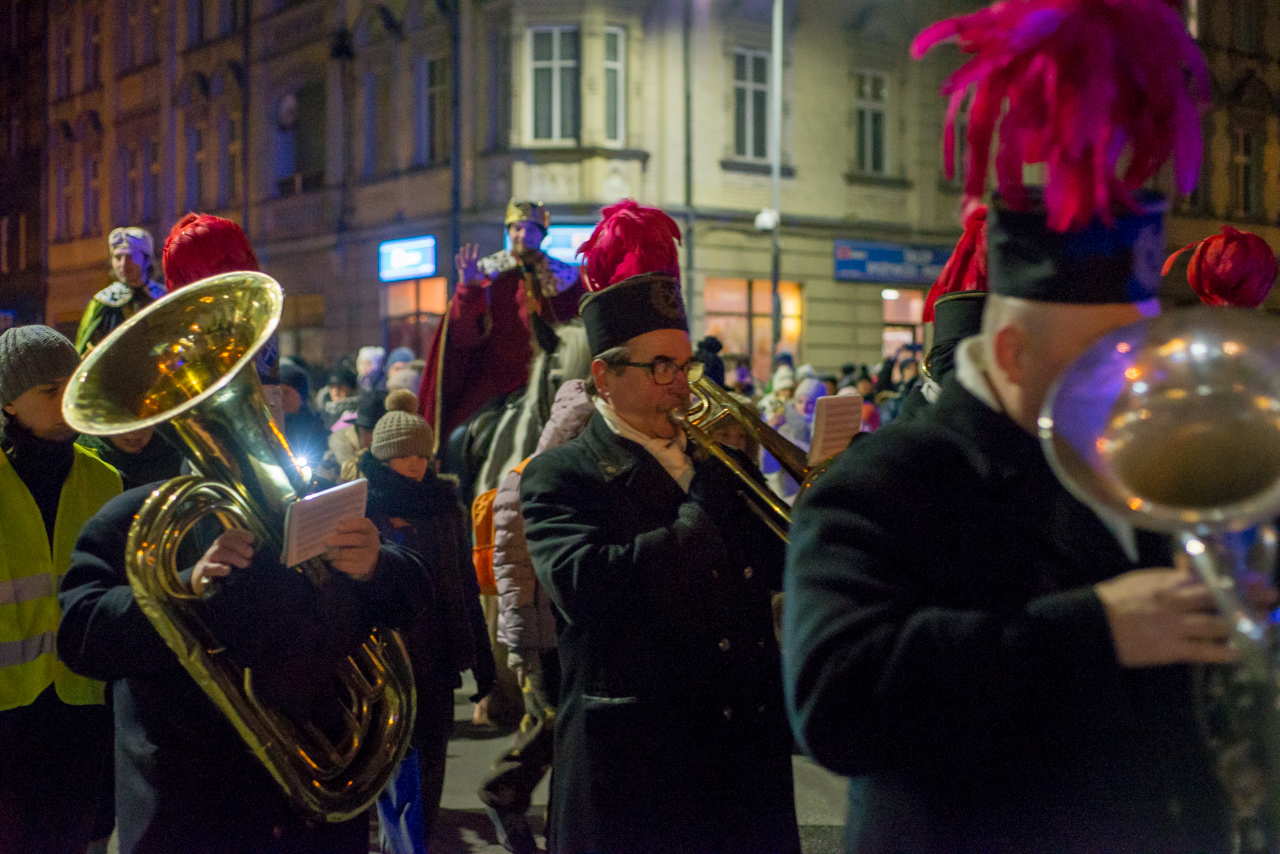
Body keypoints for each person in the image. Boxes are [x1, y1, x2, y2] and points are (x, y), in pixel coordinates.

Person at [786, 2, 1232, 851]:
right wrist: (1093, 630)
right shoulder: (883, 485)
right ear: (1015, 350)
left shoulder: (1131, 470)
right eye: (1100, 361)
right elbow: (834, 701)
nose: (1127, 383)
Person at [520, 200, 800, 854]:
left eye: (684, 365)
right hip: (638, 782)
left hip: (742, 772)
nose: (680, 387)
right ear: (603, 377)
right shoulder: (560, 475)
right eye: (659, 369)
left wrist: (809, 494)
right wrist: (706, 506)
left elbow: (779, 568)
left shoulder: (715, 462)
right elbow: (594, 590)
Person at [0, 326, 123, 854]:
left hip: (82, 709)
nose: (66, 400)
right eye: (49, 390)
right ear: (8, 401)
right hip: (8, 716)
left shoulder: (106, 481)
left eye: (72, 384)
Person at [362, 390, 494, 854]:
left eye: (421, 454)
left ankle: (420, 840)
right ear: (383, 457)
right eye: (404, 456)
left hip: (437, 654)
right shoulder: (362, 506)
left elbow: (463, 585)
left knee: (432, 758)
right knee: (386, 760)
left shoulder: (445, 506)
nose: (416, 464)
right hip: (382, 656)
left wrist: (480, 655)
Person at [477, 379, 594, 854]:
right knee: (549, 724)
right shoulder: (527, 478)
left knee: (565, 730)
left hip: (572, 629)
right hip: (544, 631)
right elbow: (511, 569)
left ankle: (553, 819)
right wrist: (522, 644)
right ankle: (503, 792)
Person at [417, 200, 584, 454]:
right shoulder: (488, 274)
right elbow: (464, 337)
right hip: (497, 387)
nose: (523, 234)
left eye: (531, 228)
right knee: (457, 440)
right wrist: (467, 290)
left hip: (553, 384)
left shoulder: (566, 278)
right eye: (517, 228)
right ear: (508, 232)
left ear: (542, 235)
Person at [75, 227, 165, 354]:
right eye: (117, 257)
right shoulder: (102, 302)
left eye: (130, 256)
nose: (123, 264)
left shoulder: (163, 298)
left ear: (147, 259)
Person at [77, 427, 184, 491]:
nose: (134, 433)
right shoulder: (85, 459)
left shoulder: (173, 452)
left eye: (142, 420)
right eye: (123, 420)